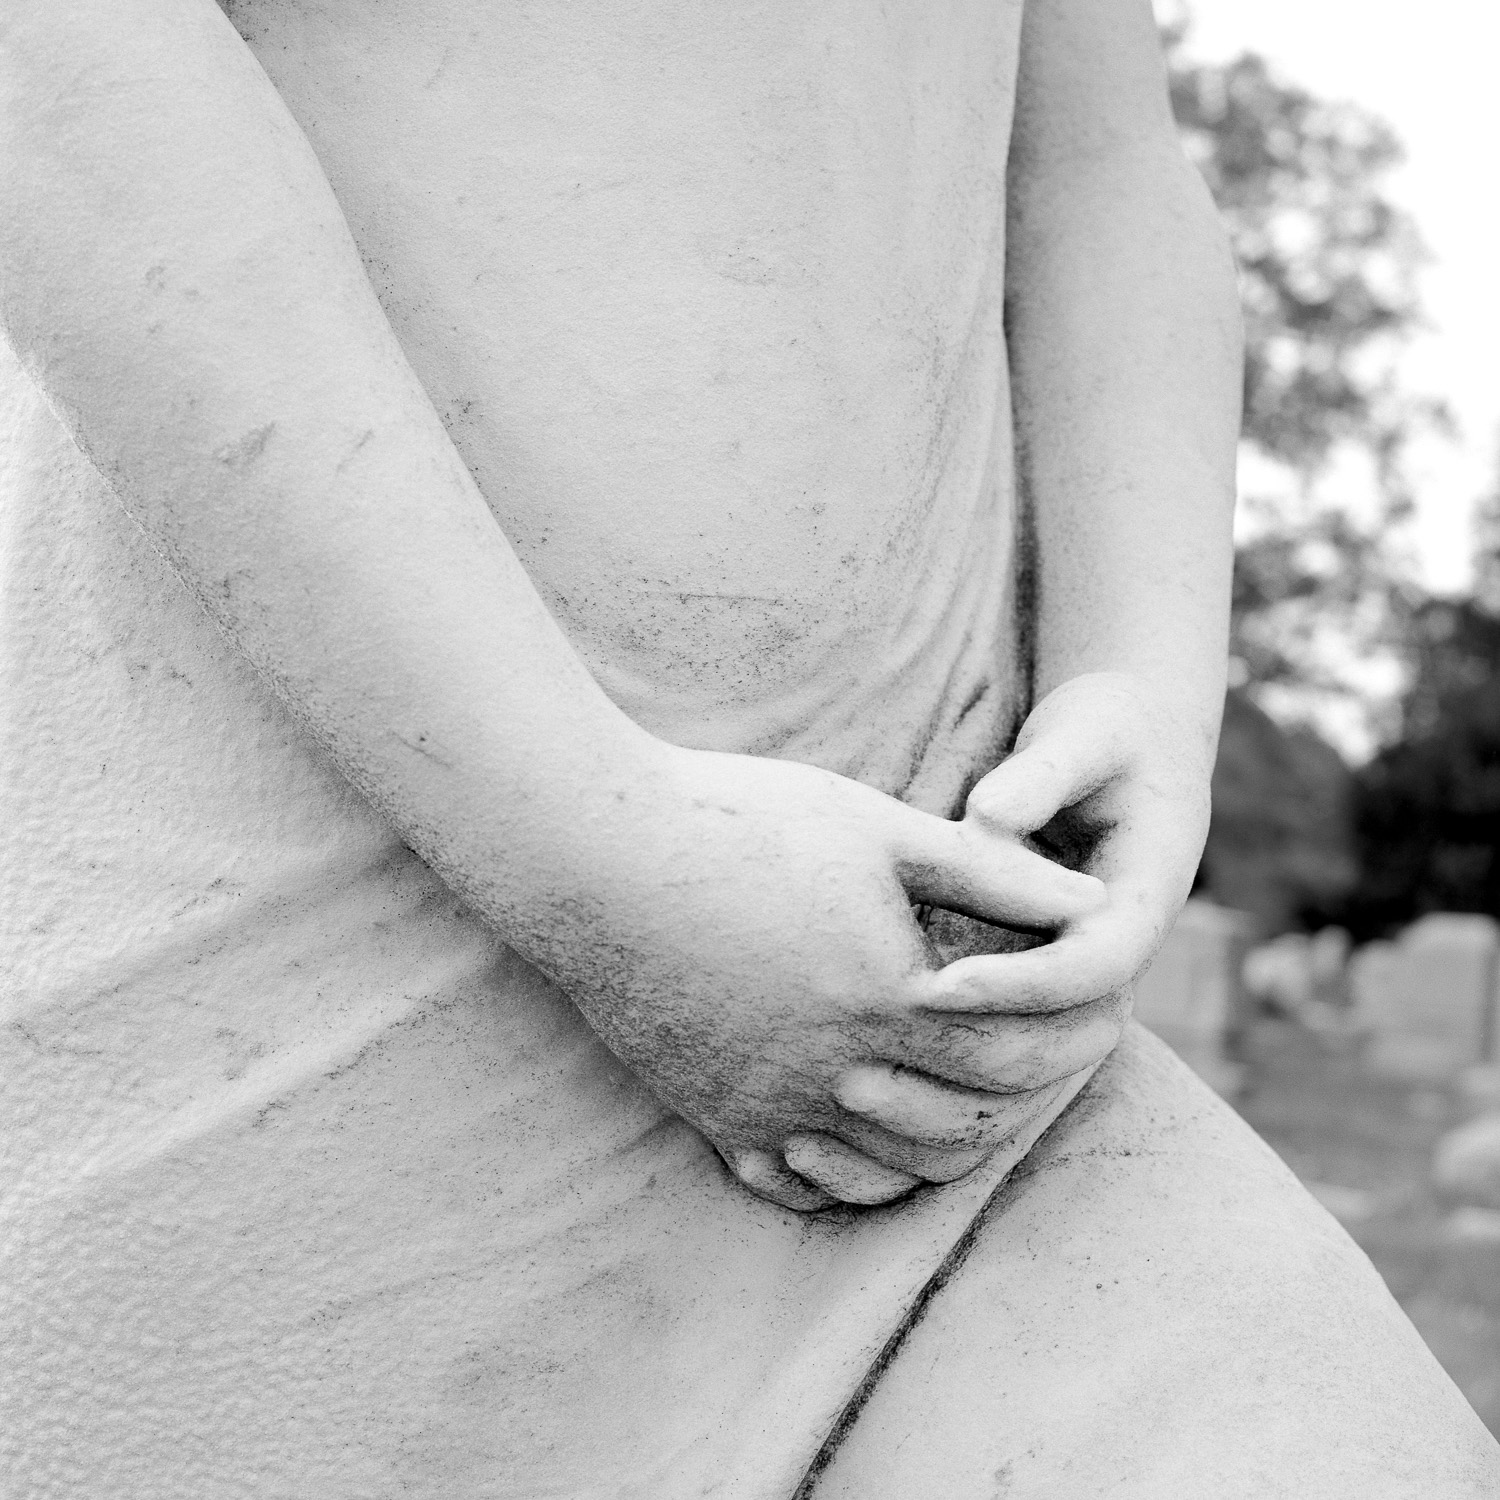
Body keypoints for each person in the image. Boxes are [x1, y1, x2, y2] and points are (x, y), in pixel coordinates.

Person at [1, 1, 1495, 1494]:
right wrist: (594, 850)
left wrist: (1145, 675)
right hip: (299, 995)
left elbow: (1106, 165)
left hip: (950, 1047)